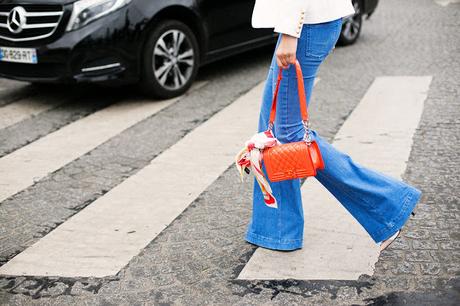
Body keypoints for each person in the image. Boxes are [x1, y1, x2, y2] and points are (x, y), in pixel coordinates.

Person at [245, 0, 422, 252]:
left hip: (304, 26)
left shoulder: (296, 28)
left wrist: (289, 31)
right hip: (310, 23)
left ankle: (388, 206)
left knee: (289, 133)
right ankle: (275, 229)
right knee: (273, 129)